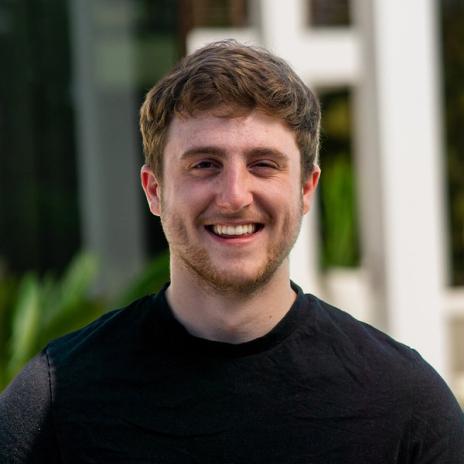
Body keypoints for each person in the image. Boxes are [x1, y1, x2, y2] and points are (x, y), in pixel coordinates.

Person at [1, 40, 463, 463]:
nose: (235, 196)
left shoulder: (405, 405)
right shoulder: (54, 402)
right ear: (155, 190)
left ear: (306, 188)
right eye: (205, 164)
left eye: (263, 164)